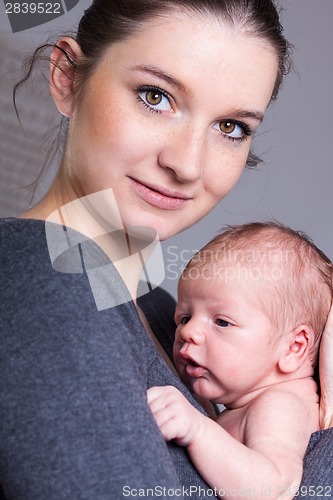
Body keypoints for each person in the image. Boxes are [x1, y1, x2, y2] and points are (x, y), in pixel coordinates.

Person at [1, 0, 333, 498]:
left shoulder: (159, 306)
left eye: (230, 128)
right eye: (155, 96)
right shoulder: (41, 278)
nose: (187, 165)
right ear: (68, 77)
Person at [148, 222, 332, 499]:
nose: (188, 332)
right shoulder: (256, 402)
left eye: (222, 322)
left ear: (294, 347)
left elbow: (275, 489)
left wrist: (198, 430)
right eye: (184, 318)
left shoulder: (280, 406)